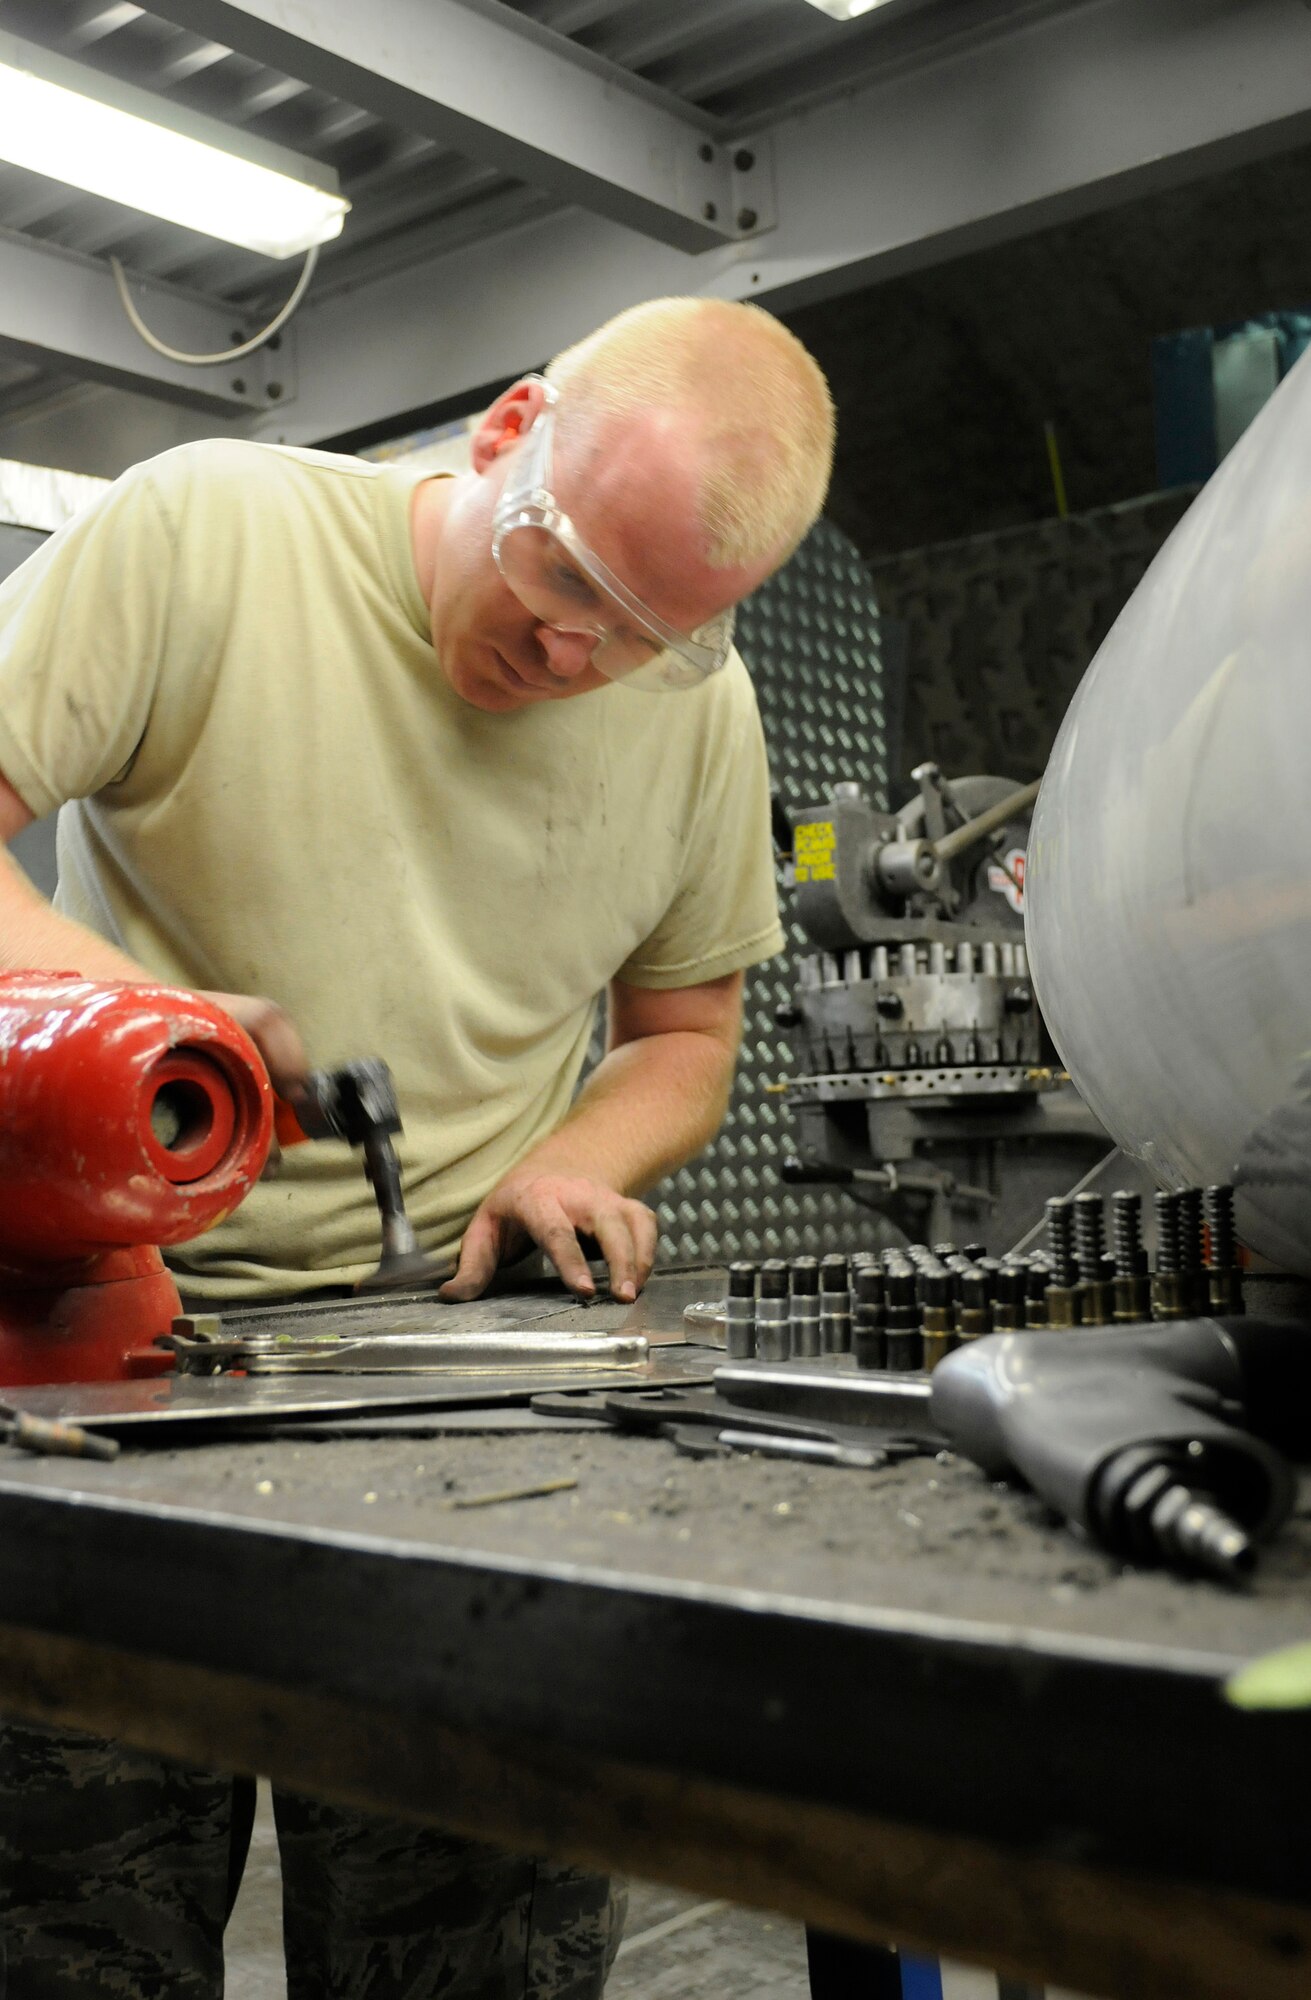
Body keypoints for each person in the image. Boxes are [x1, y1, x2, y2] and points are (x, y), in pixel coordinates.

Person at [0, 296, 835, 1997]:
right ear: (511, 425)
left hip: (453, 1385)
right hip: (100, 1354)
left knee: (475, 1960)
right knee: (73, 1948)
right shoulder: (208, 531)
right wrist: (182, 1041)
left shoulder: (702, 708)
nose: (577, 659)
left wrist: (578, 1160)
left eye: (651, 634)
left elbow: (681, 1041)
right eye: (567, 581)